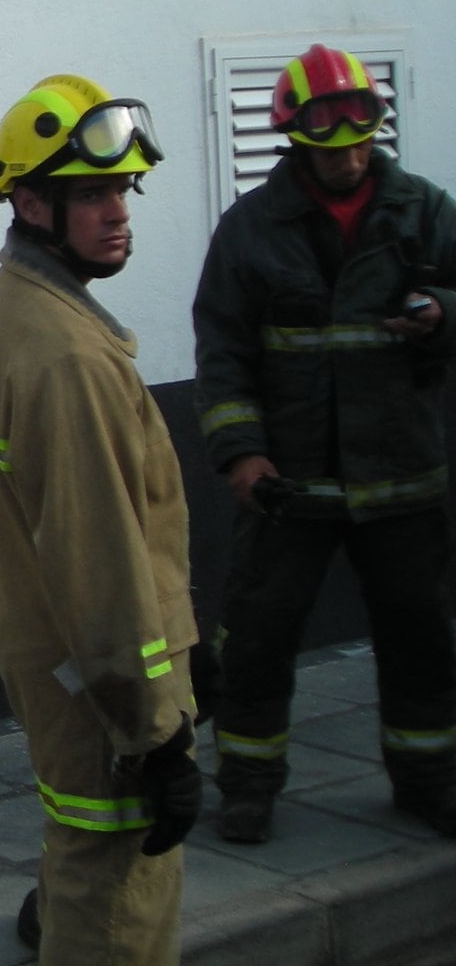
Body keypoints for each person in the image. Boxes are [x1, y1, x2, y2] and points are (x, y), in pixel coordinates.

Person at [0, 74, 202, 964]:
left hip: (54, 664)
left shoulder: (12, 307)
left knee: (78, 860)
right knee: (119, 894)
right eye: (91, 193)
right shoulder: (67, 357)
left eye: (124, 189)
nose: (118, 211)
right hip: (105, 691)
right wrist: (156, 733)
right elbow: (101, 568)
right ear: (29, 202)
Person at [194, 43, 456, 844]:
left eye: (358, 128)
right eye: (324, 130)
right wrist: (241, 456)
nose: (344, 149)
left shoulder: (425, 210)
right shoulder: (250, 231)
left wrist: (442, 312)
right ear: (293, 133)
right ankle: (247, 786)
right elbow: (223, 350)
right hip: (290, 485)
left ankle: (429, 781)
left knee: (422, 639)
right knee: (258, 641)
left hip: (401, 477)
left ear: (376, 124)